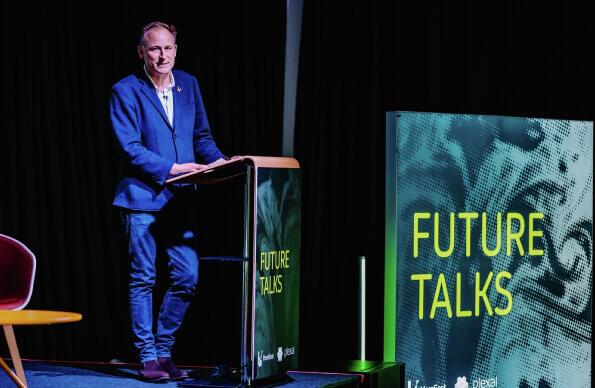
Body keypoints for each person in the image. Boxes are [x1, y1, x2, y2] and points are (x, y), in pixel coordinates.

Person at [110, 21, 227, 382]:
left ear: (176, 50)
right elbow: (129, 148)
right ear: (141, 53)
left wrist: (222, 162)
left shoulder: (188, 84)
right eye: (155, 49)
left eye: (169, 48)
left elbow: (201, 136)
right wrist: (172, 168)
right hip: (142, 199)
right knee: (143, 277)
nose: (163, 56)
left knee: (187, 277)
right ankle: (147, 359)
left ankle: (164, 351)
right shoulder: (125, 90)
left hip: (181, 200)